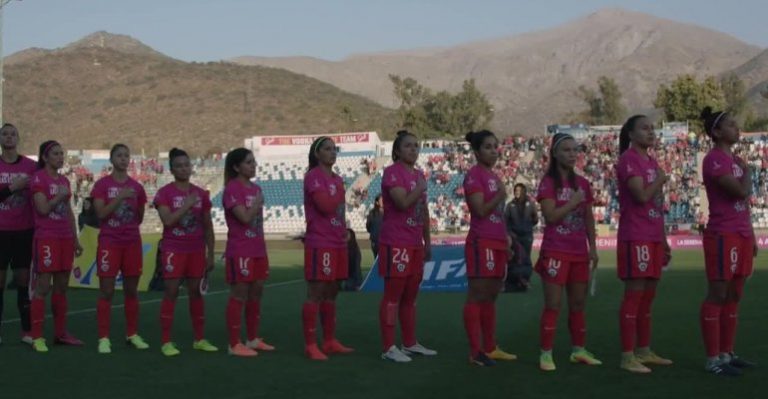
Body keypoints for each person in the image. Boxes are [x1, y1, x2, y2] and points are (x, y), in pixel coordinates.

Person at [534, 133, 601, 371]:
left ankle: (578, 350)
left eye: (575, 150)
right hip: (556, 250)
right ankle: (546, 353)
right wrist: (572, 202)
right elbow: (551, 216)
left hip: (578, 252)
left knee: (578, 304)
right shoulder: (548, 183)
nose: (572, 154)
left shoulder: (582, 183)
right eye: (566, 150)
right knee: (553, 304)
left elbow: (588, 218)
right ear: (555, 153)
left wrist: (592, 247)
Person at [698, 107, 757, 376]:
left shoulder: (734, 160)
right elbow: (740, 192)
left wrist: (751, 235)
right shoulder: (715, 160)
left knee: (734, 295)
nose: (737, 128)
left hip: (741, 233)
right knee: (718, 294)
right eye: (731, 125)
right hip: (723, 234)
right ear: (717, 132)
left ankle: (727, 353)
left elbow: (744, 205)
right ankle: (713, 359)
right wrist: (748, 173)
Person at [615, 115, 672, 373]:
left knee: (648, 296)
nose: (651, 132)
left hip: (652, 234)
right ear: (631, 134)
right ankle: (627, 356)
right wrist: (660, 180)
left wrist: (663, 239)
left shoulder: (650, 161)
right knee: (635, 294)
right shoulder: (629, 160)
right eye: (644, 128)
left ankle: (644, 350)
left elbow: (656, 205)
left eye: (652, 128)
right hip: (636, 234)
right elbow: (641, 196)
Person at [378, 130, 437, 363]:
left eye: (416, 145)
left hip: (414, 243)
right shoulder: (392, 173)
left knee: (411, 296)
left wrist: (427, 241)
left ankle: (410, 343)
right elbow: (402, 203)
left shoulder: (419, 175)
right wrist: (420, 188)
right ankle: (388, 347)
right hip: (396, 242)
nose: (413, 149)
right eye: (408, 146)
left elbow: (423, 211)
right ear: (397, 151)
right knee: (393, 295)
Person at [154, 147, 218, 356]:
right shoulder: (164, 193)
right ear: (171, 170)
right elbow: (168, 220)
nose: (183, 169)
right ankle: (166, 341)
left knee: (196, 293)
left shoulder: (201, 194)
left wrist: (210, 254)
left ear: (191, 167)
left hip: (196, 250)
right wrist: (187, 205)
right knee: (171, 292)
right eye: (178, 166)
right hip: (174, 249)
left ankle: (199, 339)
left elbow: (208, 226)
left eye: (186, 165)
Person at [462, 130, 518, 367]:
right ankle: (475, 352)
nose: (494, 151)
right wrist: (500, 195)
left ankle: (490, 347)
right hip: (481, 241)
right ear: (476, 152)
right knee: (478, 294)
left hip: (497, 242)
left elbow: (497, 215)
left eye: (495, 146)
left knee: (492, 295)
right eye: (488, 147)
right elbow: (480, 210)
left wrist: (505, 239)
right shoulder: (474, 176)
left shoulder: (493, 176)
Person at [91, 144, 150, 354]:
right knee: (106, 291)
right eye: (119, 155)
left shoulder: (137, 187)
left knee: (131, 290)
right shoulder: (102, 185)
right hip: (109, 242)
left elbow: (139, 216)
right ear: (111, 159)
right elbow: (101, 214)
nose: (124, 159)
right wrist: (120, 197)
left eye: (126, 156)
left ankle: (132, 334)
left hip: (131, 242)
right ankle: (103, 338)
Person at [301, 136, 354, 360]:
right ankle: (311, 344)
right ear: (317, 153)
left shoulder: (337, 179)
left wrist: (344, 229)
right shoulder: (313, 176)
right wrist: (340, 192)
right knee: (316, 292)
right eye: (327, 149)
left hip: (337, 241)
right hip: (320, 241)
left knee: (332, 292)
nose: (333, 152)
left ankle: (330, 340)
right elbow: (325, 206)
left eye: (335, 149)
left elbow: (338, 210)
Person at [29, 140, 84, 352]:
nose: (60, 157)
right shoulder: (38, 178)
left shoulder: (64, 181)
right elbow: (42, 209)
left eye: (62, 154)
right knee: (43, 287)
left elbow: (69, 212)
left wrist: (75, 239)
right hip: (46, 238)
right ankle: (37, 337)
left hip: (65, 239)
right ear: (45, 157)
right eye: (55, 154)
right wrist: (58, 196)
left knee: (62, 287)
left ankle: (60, 334)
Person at [222, 147, 275, 357]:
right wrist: (256, 204)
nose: (254, 165)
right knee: (239, 294)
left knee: (256, 292)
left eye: (254, 161)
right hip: (241, 249)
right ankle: (233, 343)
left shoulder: (256, 188)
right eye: (249, 162)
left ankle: (252, 338)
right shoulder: (232, 189)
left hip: (258, 248)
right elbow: (244, 218)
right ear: (236, 167)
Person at [0, 123, 36, 345]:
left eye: (13, 134)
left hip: (24, 231)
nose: (9, 137)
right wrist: (13, 188)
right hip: (1, 232)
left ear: (18, 138)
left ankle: (27, 331)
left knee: (23, 281)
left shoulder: (31, 166)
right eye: (5, 134)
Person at [504, 183, 538, 292]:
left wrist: (527, 227)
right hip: (515, 237)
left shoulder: (531, 204)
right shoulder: (510, 205)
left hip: (527, 236)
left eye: (519, 190)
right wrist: (510, 232)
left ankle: (525, 280)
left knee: (526, 258)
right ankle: (515, 281)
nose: (517, 192)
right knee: (514, 259)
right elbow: (505, 221)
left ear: (524, 192)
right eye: (515, 190)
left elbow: (535, 219)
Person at [343, 227, 362, 291]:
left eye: (347, 234)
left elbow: (357, 267)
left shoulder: (355, 249)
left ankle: (357, 283)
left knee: (349, 287)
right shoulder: (342, 246)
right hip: (344, 274)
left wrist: (358, 283)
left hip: (352, 274)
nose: (345, 236)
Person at [365, 194, 383, 259]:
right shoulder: (372, 213)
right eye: (382, 200)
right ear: (377, 202)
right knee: (377, 259)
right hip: (375, 241)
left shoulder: (389, 213)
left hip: (387, 240)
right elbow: (368, 226)